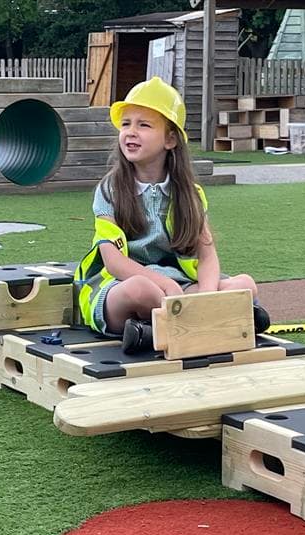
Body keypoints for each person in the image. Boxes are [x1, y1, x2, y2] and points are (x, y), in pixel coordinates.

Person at [76, 76, 270, 354]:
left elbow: (207, 255)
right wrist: (164, 284)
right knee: (141, 291)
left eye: (143, 125)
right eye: (126, 123)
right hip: (122, 286)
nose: (130, 132)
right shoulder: (110, 189)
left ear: (170, 139)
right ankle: (210, 320)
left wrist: (205, 295)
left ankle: (153, 331)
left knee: (245, 284)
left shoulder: (190, 193)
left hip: (177, 287)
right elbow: (114, 261)